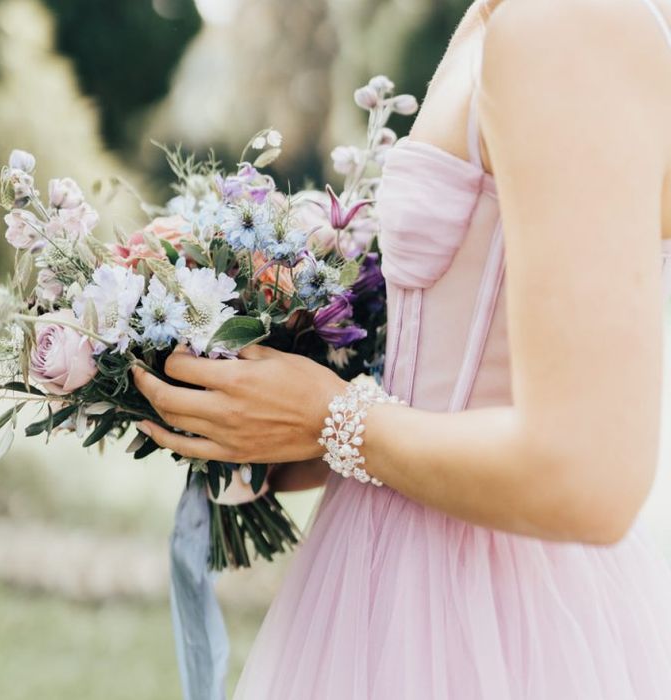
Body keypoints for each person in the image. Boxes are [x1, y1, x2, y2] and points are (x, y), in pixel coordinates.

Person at [132, 0, 671, 696]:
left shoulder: (568, 22)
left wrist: (332, 420)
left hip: (491, 621)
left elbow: (585, 477)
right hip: (391, 569)